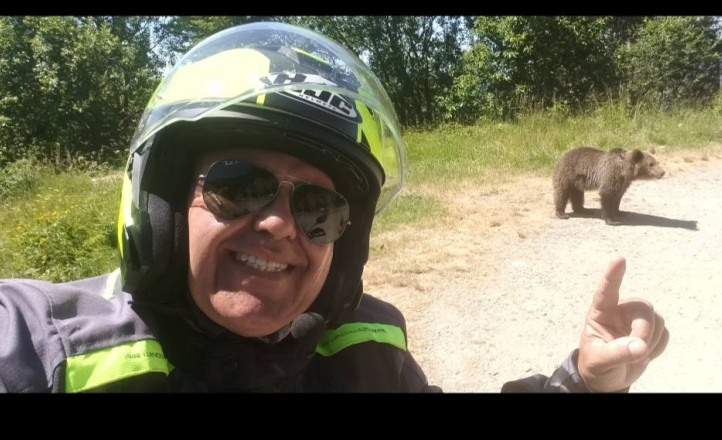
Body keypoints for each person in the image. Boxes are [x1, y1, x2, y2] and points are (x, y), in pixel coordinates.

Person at [0, 22, 668, 392]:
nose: (280, 224)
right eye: (238, 183)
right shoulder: (49, 350)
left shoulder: (366, 353)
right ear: (161, 202)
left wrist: (577, 384)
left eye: (320, 206)